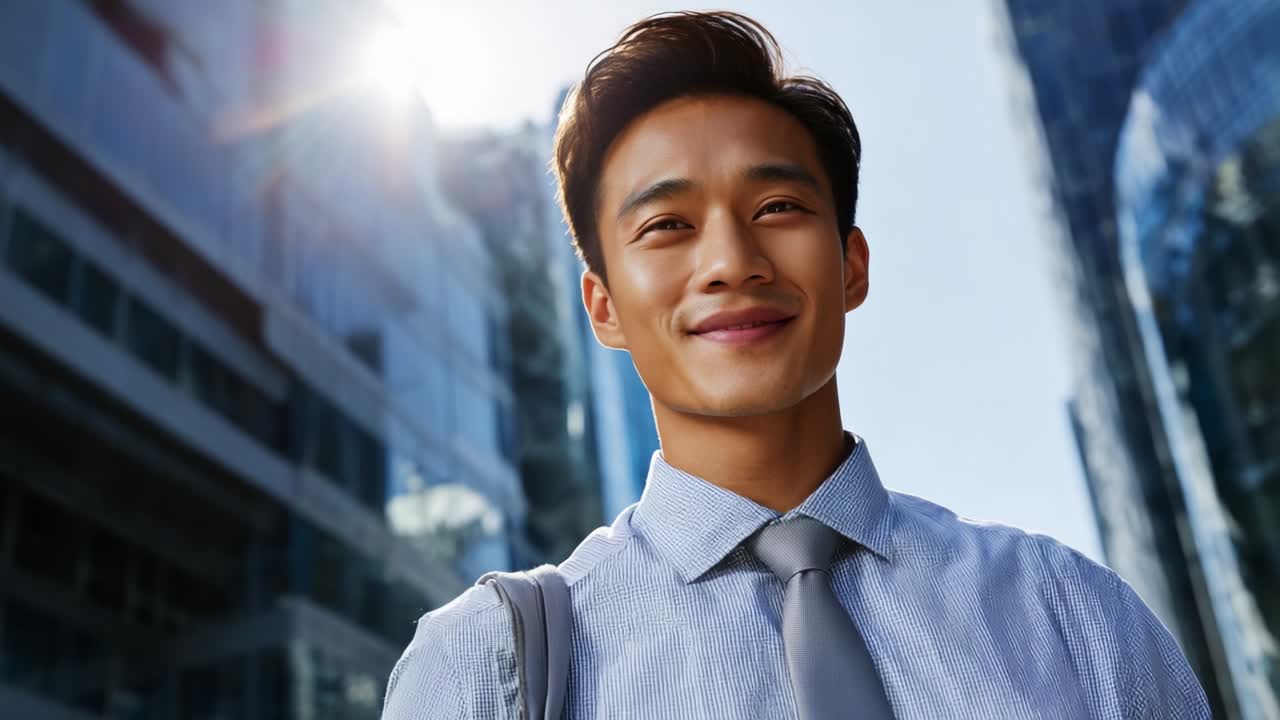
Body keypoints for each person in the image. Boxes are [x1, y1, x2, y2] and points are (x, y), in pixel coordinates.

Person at [382, 10, 1210, 719]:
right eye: (667, 225)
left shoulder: (1071, 614)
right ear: (604, 307)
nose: (731, 261)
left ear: (851, 266)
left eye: (777, 207)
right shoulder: (483, 667)